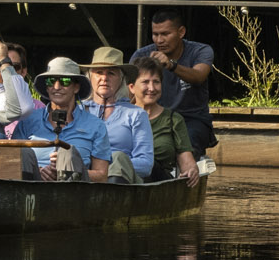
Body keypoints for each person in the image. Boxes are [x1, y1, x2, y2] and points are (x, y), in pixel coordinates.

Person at [130, 11, 219, 156]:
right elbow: (129, 93)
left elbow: (199, 76)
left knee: (188, 145)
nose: (159, 40)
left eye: (165, 34)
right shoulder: (141, 55)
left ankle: (188, 174)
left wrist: (172, 65)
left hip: (191, 118)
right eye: (155, 34)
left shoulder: (200, 50)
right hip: (152, 116)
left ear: (181, 32)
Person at [100, 62, 200, 181]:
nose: (151, 88)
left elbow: (186, 160)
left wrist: (192, 170)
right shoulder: (117, 115)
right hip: (116, 174)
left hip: (155, 177)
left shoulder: (173, 119)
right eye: (145, 82)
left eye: (156, 82)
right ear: (131, 87)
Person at [70, 45, 135, 180]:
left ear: (121, 79)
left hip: (124, 183)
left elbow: (146, 164)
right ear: (89, 77)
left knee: (118, 158)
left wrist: (107, 166)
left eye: (111, 73)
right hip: (83, 179)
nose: (104, 78)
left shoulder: (135, 114)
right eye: (99, 72)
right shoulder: (76, 111)